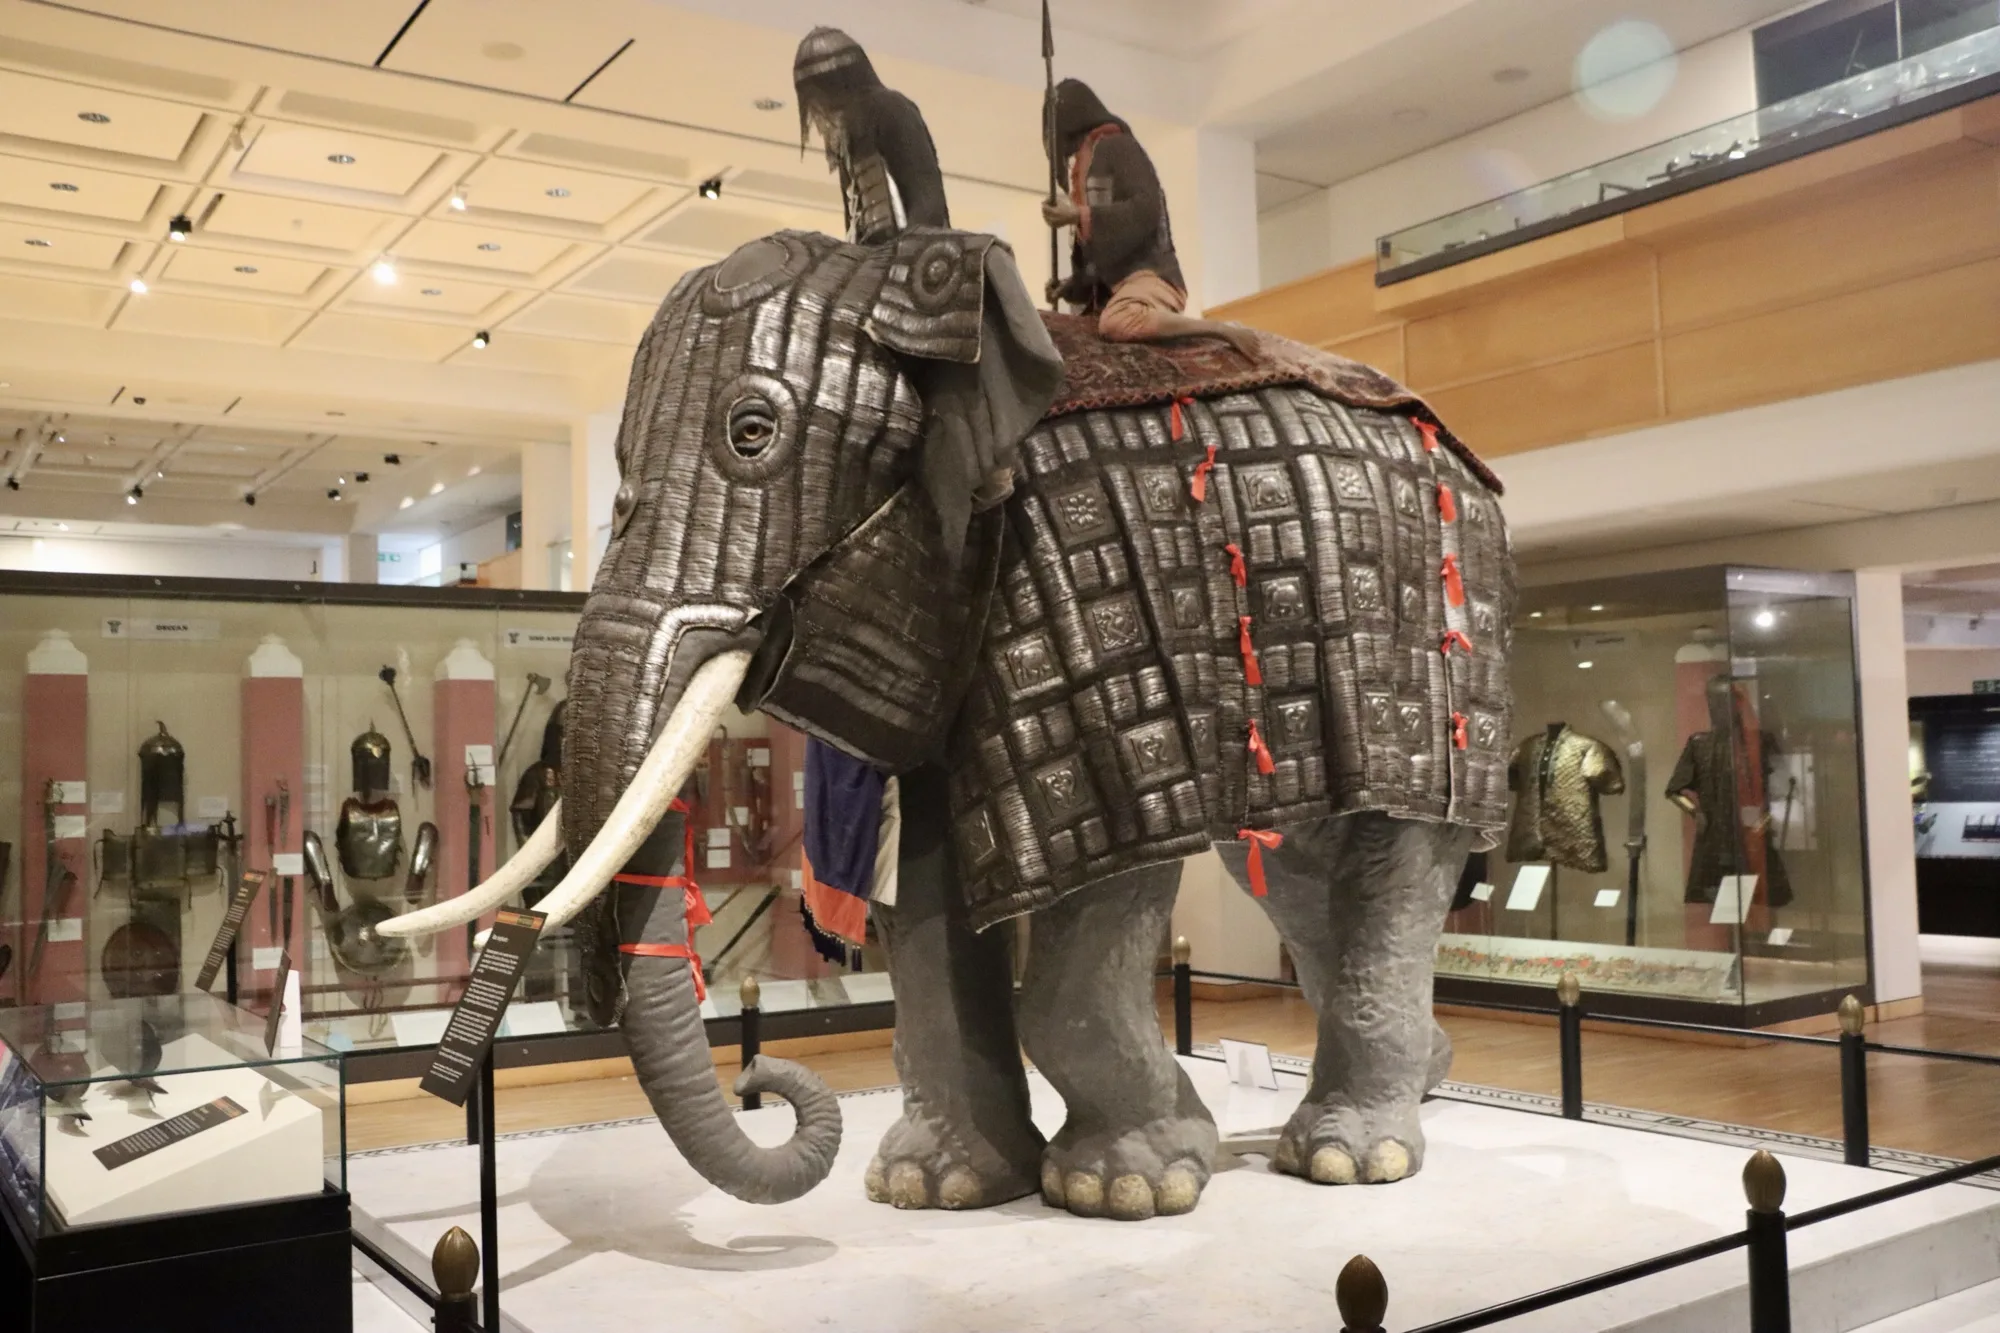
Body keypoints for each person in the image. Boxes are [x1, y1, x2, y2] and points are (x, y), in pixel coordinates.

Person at [1042, 78, 1258, 357]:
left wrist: (1079, 214)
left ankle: (1217, 329)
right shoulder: (1089, 164)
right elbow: (1101, 258)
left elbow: (1145, 209)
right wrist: (1072, 285)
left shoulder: (1118, 148)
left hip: (1149, 279)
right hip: (1117, 292)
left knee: (1117, 322)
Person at [794, 26, 950, 244]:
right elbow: (854, 218)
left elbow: (926, 198)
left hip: (917, 253)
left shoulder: (892, 109)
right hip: (872, 255)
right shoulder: (848, 135)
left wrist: (905, 254)